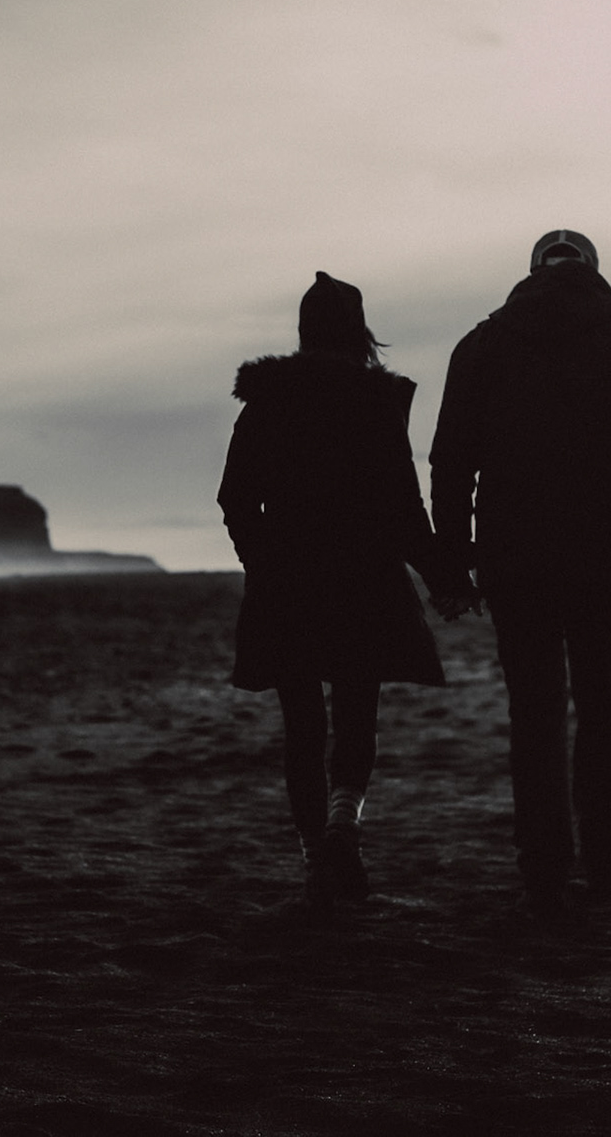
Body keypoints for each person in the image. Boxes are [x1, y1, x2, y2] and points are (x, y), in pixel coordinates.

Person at [429, 229, 611, 916]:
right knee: (602, 702)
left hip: (515, 558)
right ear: (593, 270)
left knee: (535, 712)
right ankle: (603, 863)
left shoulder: (483, 343)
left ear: (532, 271)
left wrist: (452, 565)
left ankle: (543, 871)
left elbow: (451, 462)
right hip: (607, 556)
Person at [219, 272, 466, 914]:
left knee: (302, 725)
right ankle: (342, 825)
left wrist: (261, 561)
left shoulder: (266, 401)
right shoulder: (376, 403)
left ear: (304, 332)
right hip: (364, 580)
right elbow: (404, 510)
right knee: (357, 714)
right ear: (359, 333)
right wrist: (445, 579)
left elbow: (235, 497)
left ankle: (313, 856)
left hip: (287, 583)